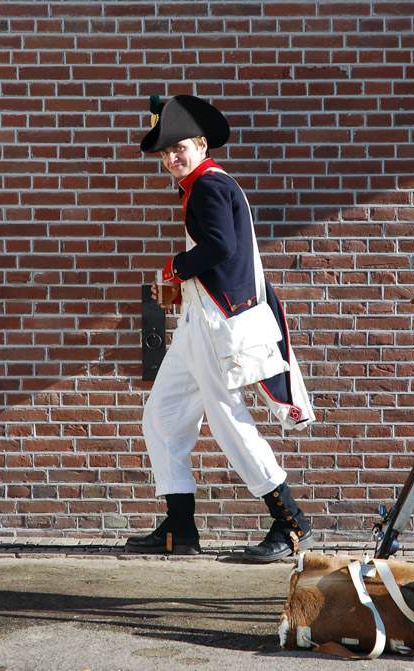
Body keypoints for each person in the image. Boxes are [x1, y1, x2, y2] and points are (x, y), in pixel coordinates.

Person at [125, 94, 315, 562]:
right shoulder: (203, 185)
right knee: (162, 416)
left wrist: (175, 267)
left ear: (202, 144)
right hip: (197, 324)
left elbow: (220, 248)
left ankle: (291, 521)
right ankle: (181, 527)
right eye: (166, 152)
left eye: (179, 148)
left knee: (229, 422)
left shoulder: (209, 186)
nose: (171, 157)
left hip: (215, 325)